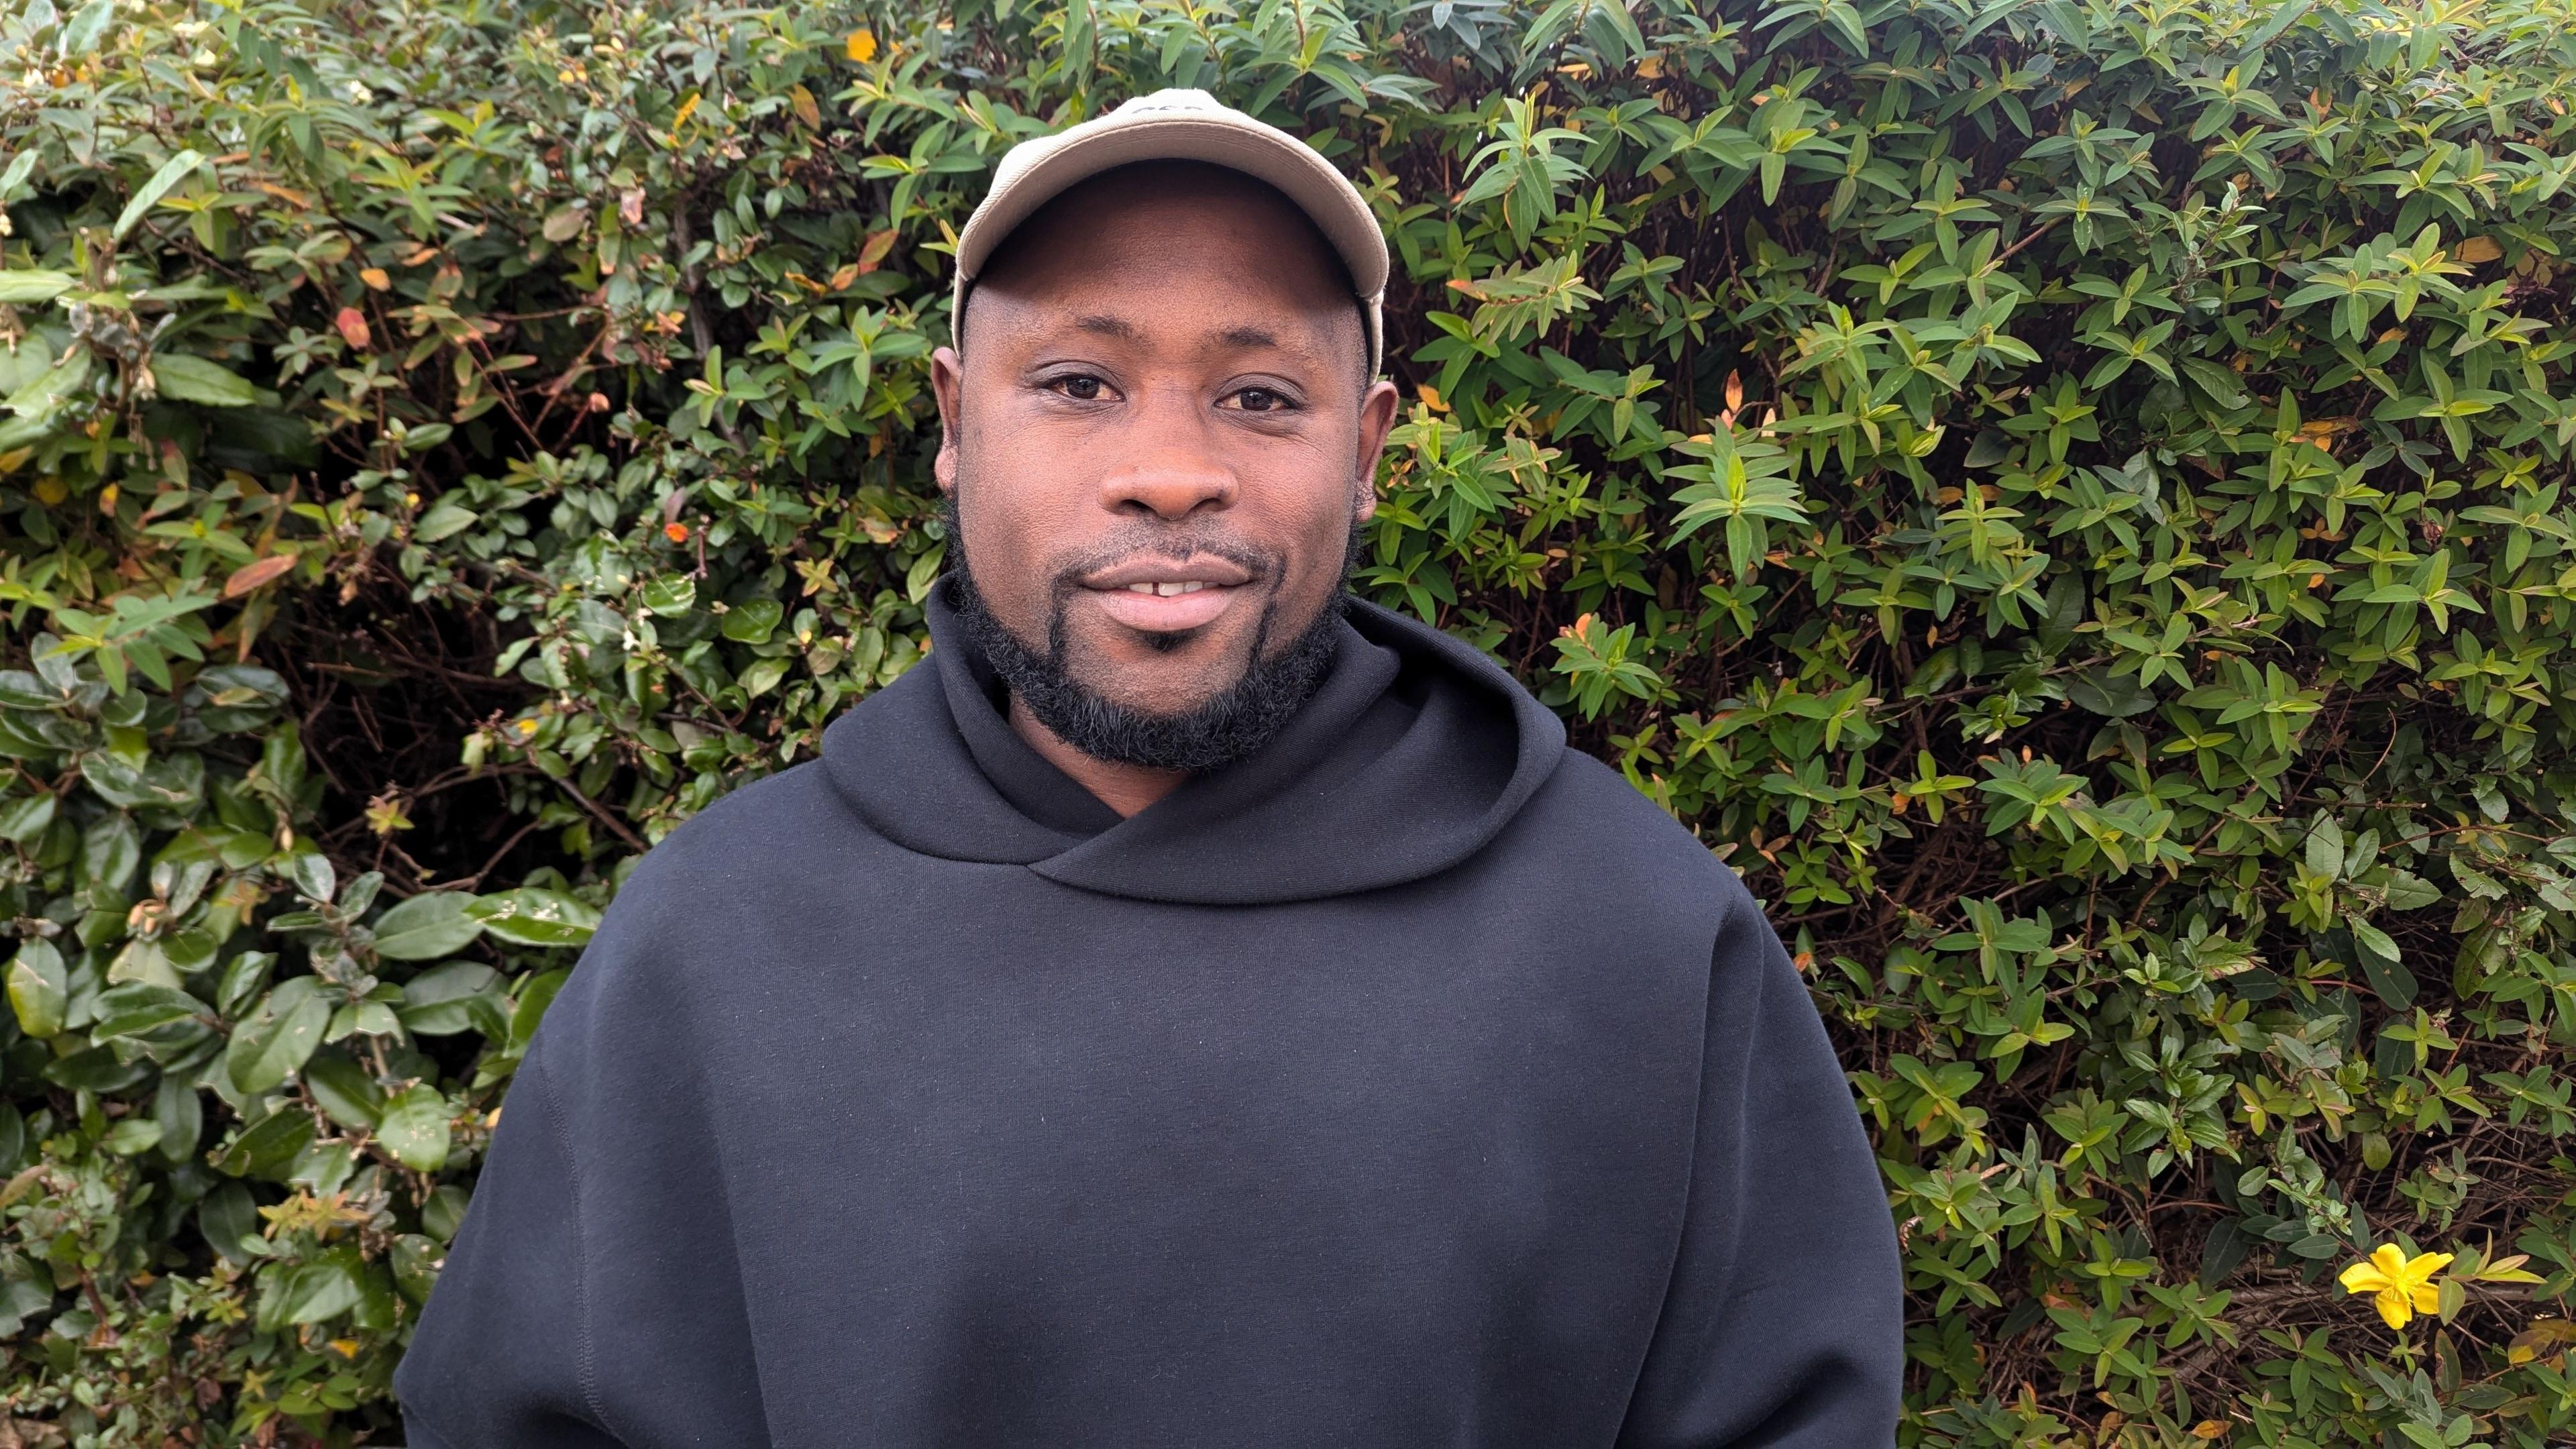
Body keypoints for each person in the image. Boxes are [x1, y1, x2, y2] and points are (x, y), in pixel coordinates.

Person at [394, 88, 1904, 1447]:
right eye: (1077, 384)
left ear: (1368, 446)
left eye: (1260, 395)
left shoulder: (1631, 935)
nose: (1170, 468)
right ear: (952, 422)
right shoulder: (716, 939)